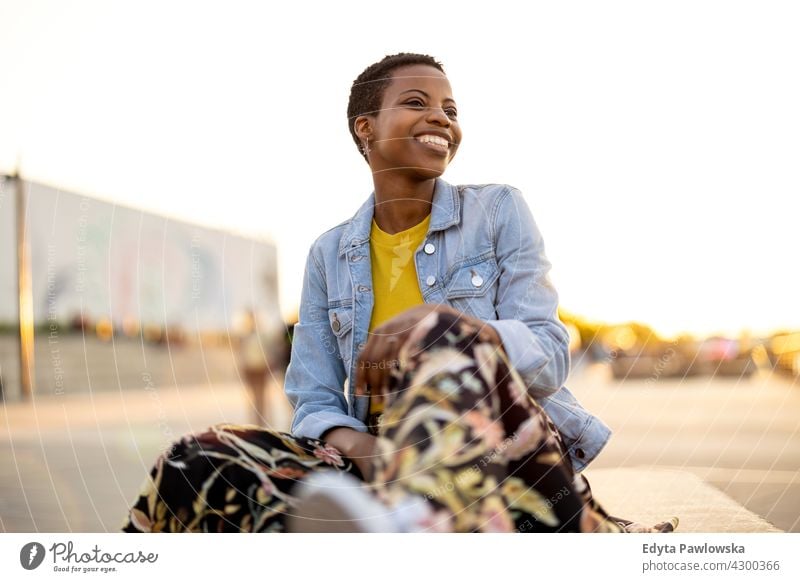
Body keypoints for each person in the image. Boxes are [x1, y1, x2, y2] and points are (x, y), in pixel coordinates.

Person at [123, 53, 677, 533]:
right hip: (378, 457)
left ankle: (414, 524)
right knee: (196, 461)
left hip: (498, 455)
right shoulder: (327, 254)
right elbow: (313, 398)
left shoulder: (499, 211)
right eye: (417, 102)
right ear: (365, 127)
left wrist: (448, 330)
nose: (441, 116)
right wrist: (367, 450)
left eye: (451, 109)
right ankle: (381, 517)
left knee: (440, 335)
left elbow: (551, 356)